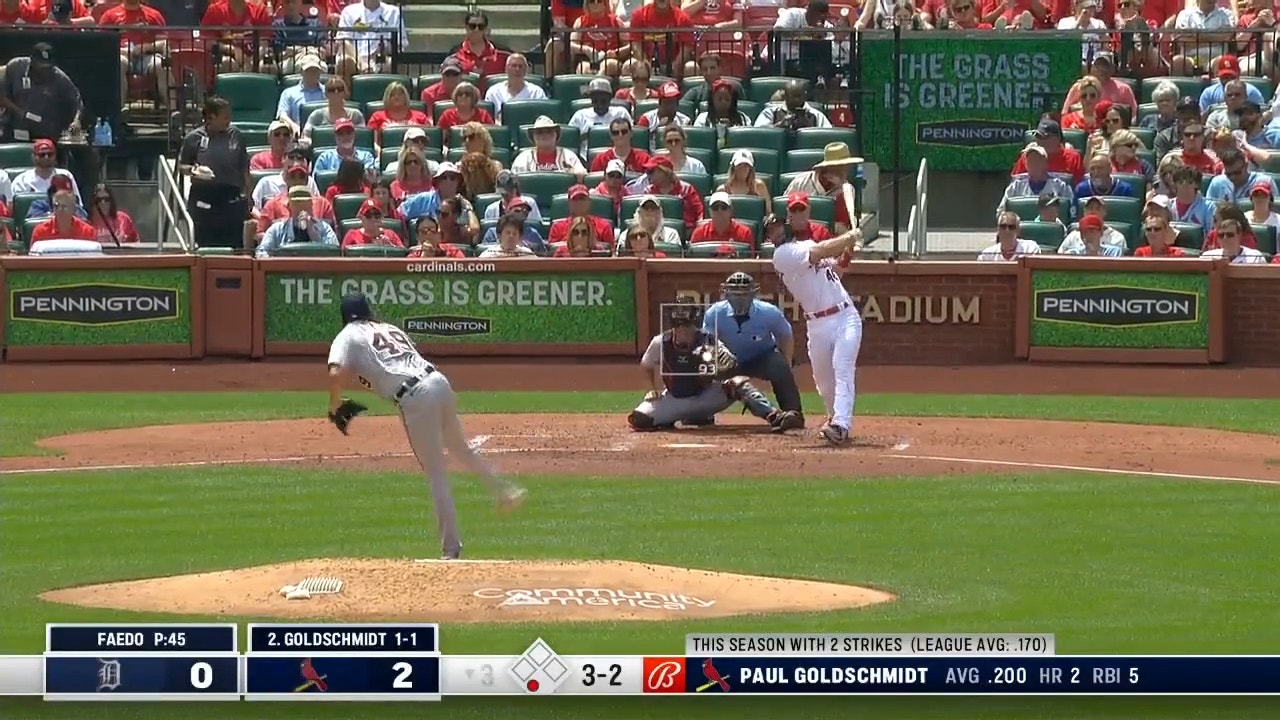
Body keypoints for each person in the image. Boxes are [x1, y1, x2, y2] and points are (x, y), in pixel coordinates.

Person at [325, 291, 526, 560]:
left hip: (416, 397)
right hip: (439, 382)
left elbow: (335, 373)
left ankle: (450, 550)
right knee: (461, 448)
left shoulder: (347, 335)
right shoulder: (389, 328)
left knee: (436, 472)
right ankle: (506, 492)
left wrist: (334, 405)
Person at [627, 305, 801, 432]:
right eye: (679, 326)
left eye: (687, 326)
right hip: (675, 399)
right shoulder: (661, 342)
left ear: (695, 325)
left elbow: (730, 363)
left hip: (707, 396)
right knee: (639, 419)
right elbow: (646, 365)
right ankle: (678, 417)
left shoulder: (708, 341)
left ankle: (774, 416)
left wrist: (721, 366)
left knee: (737, 383)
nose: (683, 330)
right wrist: (652, 389)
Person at [769, 220, 865, 445]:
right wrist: (849, 237)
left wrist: (848, 252)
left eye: (779, 226)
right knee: (823, 382)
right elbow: (819, 252)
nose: (777, 231)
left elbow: (837, 270)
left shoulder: (806, 244)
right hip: (816, 324)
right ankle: (834, 416)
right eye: (771, 230)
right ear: (769, 238)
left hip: (845, 315)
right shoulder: (782, 256)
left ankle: (841, 425)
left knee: (843, 368)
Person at [700, 271, 804, 423]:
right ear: (725, 293)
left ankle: (793, 414)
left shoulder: (769, 312)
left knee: (780, 366)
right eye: (735, 294)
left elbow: (785, 336)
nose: (739, 298)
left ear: (754, 293)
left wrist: (786, 362)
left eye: (744, 294)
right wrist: (716, 359)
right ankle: (700, 413)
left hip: (761, 358)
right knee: (702, 367)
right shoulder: (714, 313)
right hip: (728, 360)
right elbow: (708, 341)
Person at [179, 96, 251, 249]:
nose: (229, 120)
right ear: (211, 117)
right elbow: (182, 166)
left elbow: (244, 168)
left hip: (231, 196)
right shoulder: (193, 138)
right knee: (205, 242)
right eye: (225, 117)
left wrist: (247, 196)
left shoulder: (236, 135)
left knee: (233, 242)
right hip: (204, 194)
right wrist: (194, 170)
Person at [1, 42, 83, 142]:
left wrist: (76, 121)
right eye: (41, 67)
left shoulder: (59, 77)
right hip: (13, 129)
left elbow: (77, 101)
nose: (44, 71)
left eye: (48, 67)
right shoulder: (16, 67)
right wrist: (18, 111)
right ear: (32, 61)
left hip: (43, 133)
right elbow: (2, 96)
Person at [784, 142, 863, 234]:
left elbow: (843, 227)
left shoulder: (847, 190)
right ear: (827, 167)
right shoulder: (800, 182)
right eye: (840, 167)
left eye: (846, 166)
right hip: (798, 235)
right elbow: (784, 213)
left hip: (830, 238)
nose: (845, 171)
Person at [256, 185, 339, 257]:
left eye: (305, 203)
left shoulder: (325, 229)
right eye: (297, 203)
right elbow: (261, 252)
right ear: (289, 207)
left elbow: (335, 252)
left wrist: (313, 234)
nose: (301, 208)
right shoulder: (277, 230)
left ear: (311, 205)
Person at [997, 145, 1075, 218]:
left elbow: (1072, 211)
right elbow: (1001, 212)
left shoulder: (1060, 186)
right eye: (1030, 161)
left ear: (1045, 163)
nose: (1033, 164)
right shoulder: (1016, 186)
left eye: (1037, 160)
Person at [335, 0, 407, 76]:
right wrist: (361, 62)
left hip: (382, 58)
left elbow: (400, 44)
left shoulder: (394, 12)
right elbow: (344, 41)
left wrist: (383, 50)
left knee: (396, 63)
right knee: (345, 61)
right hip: (355, 58)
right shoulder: (349, 11)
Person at [568, 78, 632, 154]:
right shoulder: (580, 115)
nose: (599, 105)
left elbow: (631, 136)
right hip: (585, 157)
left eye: (603, 101)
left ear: (610, 99)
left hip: (616, 155)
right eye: (595, 101)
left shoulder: (621, 113)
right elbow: (570, 141)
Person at [511, 116, 587, 177]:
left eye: (549, 131)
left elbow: (582, 174)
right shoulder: (522, 159)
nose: (545, 135)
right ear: (533, 137)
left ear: (556, 135)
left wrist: (578, 172)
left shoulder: (569, 156)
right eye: (539, 132)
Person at [270, 0, 327, 76]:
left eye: (293, 2)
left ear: (300, 2)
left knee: (316, 63)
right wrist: (307, 50)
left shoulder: (315, 24)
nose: (290, 5)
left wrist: (296, 50)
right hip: (290, 62)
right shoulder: (277, 25)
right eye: (287, 2)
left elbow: (323, 52)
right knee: (311, 64)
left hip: (314, 58)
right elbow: (281, 54)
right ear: (283, 4)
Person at [484, 53, 546, 123]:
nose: (517, 69)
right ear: (506, 69)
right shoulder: (493, 92)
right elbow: (487, 119)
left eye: (520, 66)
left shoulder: (537, 92)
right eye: (513, 66)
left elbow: (544, 118)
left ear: (526, 70)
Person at [302, 78, 367, 144]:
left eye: (340, 89)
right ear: (326, 94)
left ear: (345, 92)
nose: (336, 92)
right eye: (331, 90)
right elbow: (306, 135)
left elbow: (362, 138)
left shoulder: (356, 115)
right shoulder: (316, 115)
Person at [368, 82, 429, 151]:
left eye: (400, 94)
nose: (396, 97)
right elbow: (372, 142)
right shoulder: (377, 117)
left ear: (405, 97)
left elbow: (429, 140)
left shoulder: (420, 117)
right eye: (392, 95)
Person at [12, 139, 80, 197]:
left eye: (50, 154)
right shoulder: (21, 180)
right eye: (42, 155)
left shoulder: (65, 175)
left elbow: (77, 204)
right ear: (33, 157)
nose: (46, 157)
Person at [29, 189, 96, 246]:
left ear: (73, 209)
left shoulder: (88, 232)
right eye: (56, 206)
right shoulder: (41, 231)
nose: (60, 209)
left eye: (64, 206)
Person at [755, 80, 832, 129]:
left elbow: (827, 135)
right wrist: (780, 125)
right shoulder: (771, 112)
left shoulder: (816, 115)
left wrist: (810, 127)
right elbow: (758, 133)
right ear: (785, 96)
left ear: (804, 95)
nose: (797, 100)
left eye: (799, 96)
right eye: (794, 96)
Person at [277, 54, 327, 130]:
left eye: (315, 71)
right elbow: (282, 115)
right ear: (301, 72)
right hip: (297, 132)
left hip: (322, 131)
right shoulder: (288, 93)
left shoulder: (328, 92)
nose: (312, 74)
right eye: (308, 71)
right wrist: (293, 126)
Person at [636, 83, 692, 149]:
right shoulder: (647, 119)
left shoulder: (685, 121)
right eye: (667, 102)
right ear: (660, 103)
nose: (671, 106)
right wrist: (658, 129)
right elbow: (639, 144)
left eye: (673, 102)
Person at [479, 197, 545, 250]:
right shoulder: (492, 233)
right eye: (517, 211)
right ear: (507, 211)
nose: (522, 214)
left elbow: (542, 254)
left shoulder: (533, 233)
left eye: (525, 211)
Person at [717, 150, 771, 215]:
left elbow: (768, 213)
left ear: (751, 169)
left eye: (746, 165)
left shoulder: (759, 186)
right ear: (733, 168)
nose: (742, 168)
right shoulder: (722, 190)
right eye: (739, 165)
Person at [690, 191, 755, 245]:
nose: (719, 211)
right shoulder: (699, 233)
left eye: (724, 207)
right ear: (710, 211)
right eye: (715, 208)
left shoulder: (745, 233)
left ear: (730, 210)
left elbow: (750, 256)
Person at [341, 198, 405, 250]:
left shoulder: (390, 235)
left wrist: (390, 246)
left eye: (376, 215)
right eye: (368, 215)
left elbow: (403, 253)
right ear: (361, 218)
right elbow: (342, 256)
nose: (373, 219)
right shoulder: (352, 235)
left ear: (381, 218)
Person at [977, 212, 1042, 261]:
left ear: (1018, 230)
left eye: (1011, 227)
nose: (1007, 230)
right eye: (1003, 226)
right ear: (998, 230)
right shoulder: (987, 255)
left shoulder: (1030, 249)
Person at [1202, 217, 1269, 262]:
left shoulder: (1255, 257)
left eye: (1229, 235)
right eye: (1221, 235)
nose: (1225, 238)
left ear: (1239, 236)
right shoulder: (1207, 257)